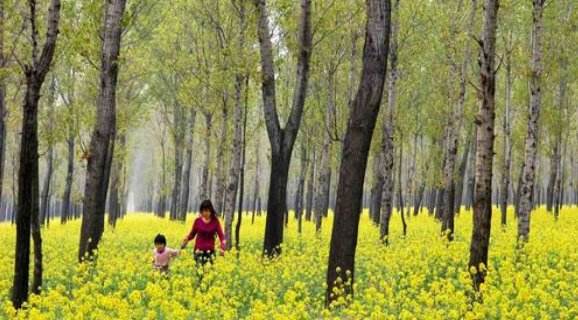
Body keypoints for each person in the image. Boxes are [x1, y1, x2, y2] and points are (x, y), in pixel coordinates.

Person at [181, 199, 226, 265]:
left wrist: (223, 247)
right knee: (199, 273)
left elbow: (222, 236)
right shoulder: (197, 221)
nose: (205, 213)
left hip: (210, 252)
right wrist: (186, 239)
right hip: (198, 251)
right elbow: (192, 235)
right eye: (203, 211)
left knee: (210, 273)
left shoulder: (215, 221)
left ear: (211, 211)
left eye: (207, 211)